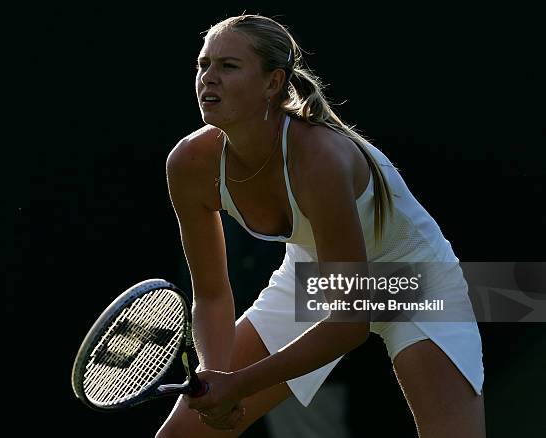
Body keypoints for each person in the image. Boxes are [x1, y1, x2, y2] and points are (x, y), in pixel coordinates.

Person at [157, 14, 485, 438]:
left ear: (273, 83)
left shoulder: (320, 159)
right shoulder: (188, 165)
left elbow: (350, 322)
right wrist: (214, 376)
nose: (208, 78)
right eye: (203, 65)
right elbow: (213, 294)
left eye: (228, 66)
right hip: (314, 278)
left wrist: (239, 384)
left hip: (415, 280)